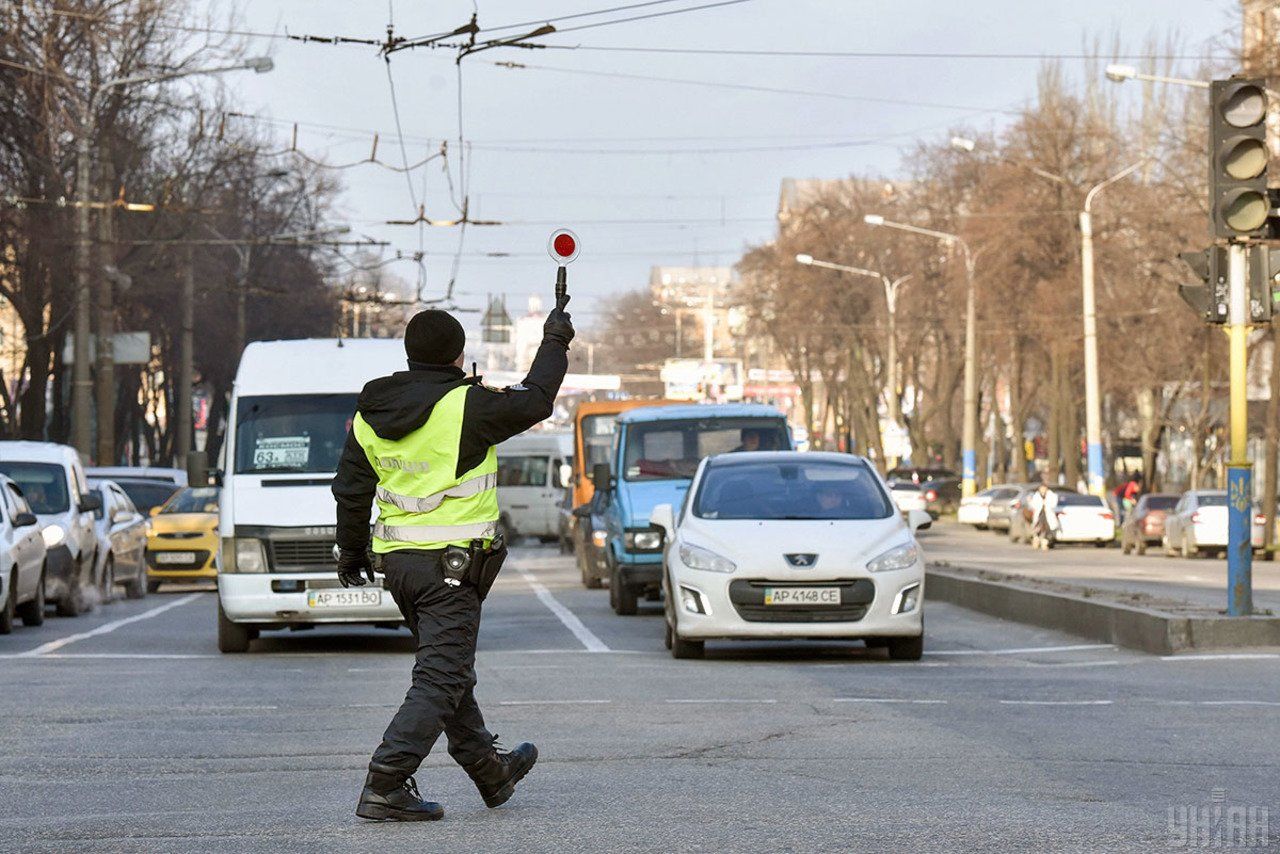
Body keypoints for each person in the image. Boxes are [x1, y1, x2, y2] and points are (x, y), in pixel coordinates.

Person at [331, 301, 573, 822]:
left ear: (410, 353)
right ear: (459, 356)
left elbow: (352, 489)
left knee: (448, 668)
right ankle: (386, 781)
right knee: (440, 677)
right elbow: (536, 400)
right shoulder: (467, 405)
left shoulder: (371, 410)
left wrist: (350, 551)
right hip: (453, 569)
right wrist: (555, 341)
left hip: (399, 564)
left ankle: (490, 769)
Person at [1026, 482, 1060, 550]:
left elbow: (1053, 505)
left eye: (1044, 488)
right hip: (1039, 514)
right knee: (1038, 528)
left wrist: (1045, 503)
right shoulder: (1036, 496)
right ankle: (1037, 541)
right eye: (1041, 489)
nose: (1042, 490)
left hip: (1048, 515)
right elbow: (1033, 505)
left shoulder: (1052, 495)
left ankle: (1044, 543)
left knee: (1047, 530)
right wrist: (1030, 501)